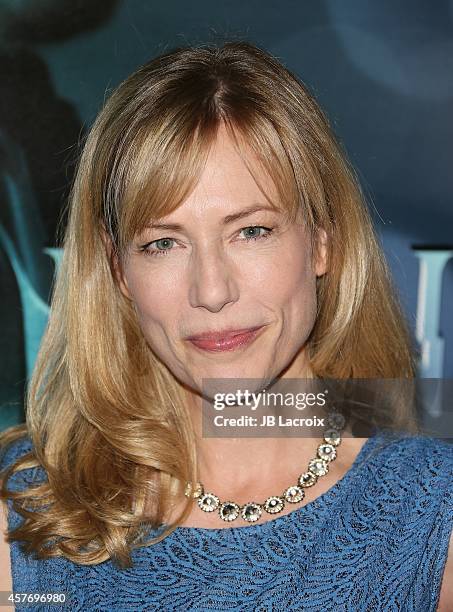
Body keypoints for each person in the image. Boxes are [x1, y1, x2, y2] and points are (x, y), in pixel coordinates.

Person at [0, 40, 452, 611]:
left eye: (252, 231)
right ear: (118, 270)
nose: (211, 291)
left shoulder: (432, 513)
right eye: (163, 243)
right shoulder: (27, 518)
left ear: (320, 242)